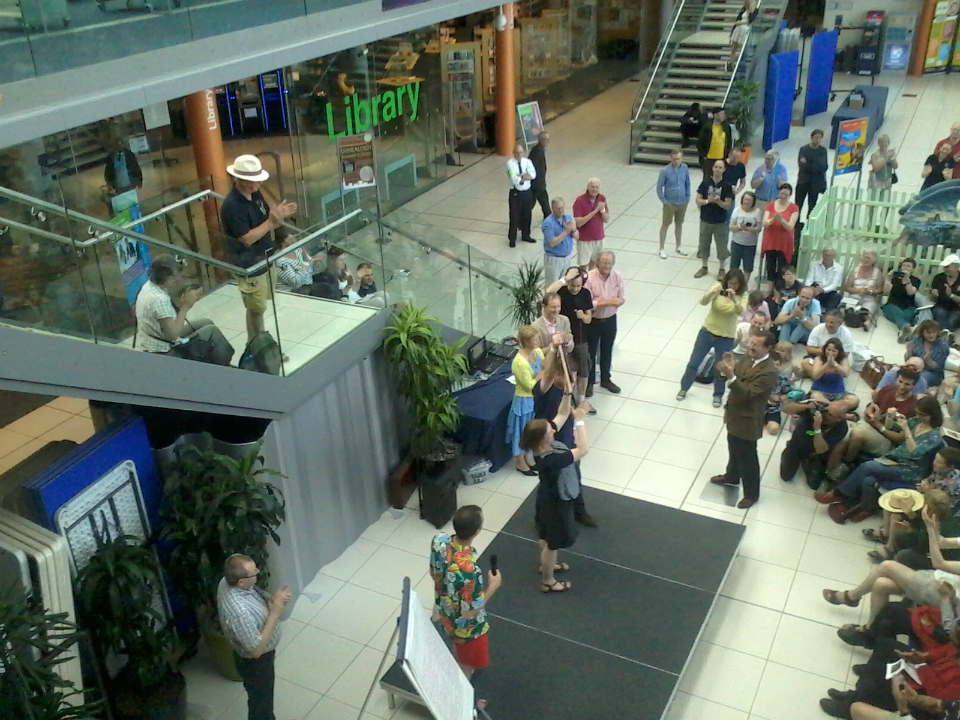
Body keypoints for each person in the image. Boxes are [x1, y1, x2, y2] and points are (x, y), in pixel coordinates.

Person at [821, 505, 960, 630]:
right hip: (937, 579)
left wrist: (929, 529)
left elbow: (939, 563)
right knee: (881, 584)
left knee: (887, 566)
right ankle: (871, 629)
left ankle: (851, 597)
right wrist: (933, 527)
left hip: (942, 592)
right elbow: (942, 542)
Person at [816, 396, 945, 522]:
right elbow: (890, 428)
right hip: (896, 459)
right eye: (917, 413)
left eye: (922, 414)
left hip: (910, 470)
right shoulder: (916, 422)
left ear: (932, 415)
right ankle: (867, 508)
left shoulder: (934, 437)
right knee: (868, 480)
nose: (918, 416)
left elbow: (914, 452)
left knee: (869, 467)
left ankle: (839, 494)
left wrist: (906, 430)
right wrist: (890, 417)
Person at [220, 154, 298, 344]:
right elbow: (247, 239)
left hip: (264, 257)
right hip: (249, 263)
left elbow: (265, 219)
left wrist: (279, 225)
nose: (259, 184)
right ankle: (259, 344)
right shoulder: (232, 206)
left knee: (259, 306)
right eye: (254, 180)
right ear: (242, 180)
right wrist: (272, 221)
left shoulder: (256, 195)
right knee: (256, 307)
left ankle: (255, 342)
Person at [519, 397, 591, 593]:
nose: (553, 430)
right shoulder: (551, 460)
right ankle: (548, 580)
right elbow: (583, 449)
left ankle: (547, 565)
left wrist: (566, 393)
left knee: (545, 535)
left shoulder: (540, 447)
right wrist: (579, 420)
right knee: (553, 543)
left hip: (546, 498)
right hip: (556, 504)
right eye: (549, 431)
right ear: (542, 438)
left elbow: (562, 413)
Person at [429, 505, 501, 680]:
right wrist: (493, 587)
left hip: (444, 609)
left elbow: (434, 572)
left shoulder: (439, 540)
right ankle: (462, 689)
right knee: (466, 666)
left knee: (458, 648)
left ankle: (458, 659)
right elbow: (469, 612)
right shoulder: (470, 571)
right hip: (466, 630)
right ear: (477, 531)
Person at [217, 553, 291, 720]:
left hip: (253, 656)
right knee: (261, 705)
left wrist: (270, 600)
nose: (258, 572)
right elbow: (256, 650)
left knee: (261, 700)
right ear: (241, 582)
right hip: (257, 664)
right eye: (254, 573)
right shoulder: (240, 613)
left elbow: (253, 595)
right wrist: (275, 613)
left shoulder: (226, 582)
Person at [709, 331, 778, 509]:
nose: (751, 347)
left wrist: (730, 375)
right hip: (734, 413)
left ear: (768, 348)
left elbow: (748, 393)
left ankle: (751, 494)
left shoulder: (769, 371)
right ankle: (732, 476)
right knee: (733, 447)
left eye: (756, 345)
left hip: (748, 419)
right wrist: (728, 369)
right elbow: (736, 376)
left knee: (748, 458)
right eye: (751, 343)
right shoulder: (748, 358)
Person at [534, 345, 596, 527]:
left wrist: (576, 422)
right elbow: (548, 375)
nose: (573, 382)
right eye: (569, 377)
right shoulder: (545, 390)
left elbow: (564, 413)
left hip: (566, 439)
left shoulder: (566, 391)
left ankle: (579, 511)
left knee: (574, 475)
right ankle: (542, 519)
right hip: (551, 445)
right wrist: (554, 349)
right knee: (550, 485)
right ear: (558, 374)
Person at [134, 257, 233, 365]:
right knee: (212, 332)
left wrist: (180, 306)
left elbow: (164, 317)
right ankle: (225, 366)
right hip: (164, 351)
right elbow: (173, 335)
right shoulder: (159, 299)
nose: (178, 279)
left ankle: (216, 361)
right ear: (166, 277)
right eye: (175, 277)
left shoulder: (149, 286)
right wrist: (185, 307)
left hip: (158, 337)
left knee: (206, 322)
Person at [677, 269, 747, 407]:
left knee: (721, 368)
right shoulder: (719, 288)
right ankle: (684, 388)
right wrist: (711, 293)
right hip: (707, 332)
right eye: (730, 283)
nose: (732, 286)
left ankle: (718, 395)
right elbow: (703, 302)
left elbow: (741, 312)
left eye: (735, 284)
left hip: (726, 336)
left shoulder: (743, 295)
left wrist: (734, 299)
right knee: (694, 362)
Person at [838, 368, 920, 465]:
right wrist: (870, 412)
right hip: (872, 426)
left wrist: (878, 425)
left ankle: (847, 463)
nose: (902, 386)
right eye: (900, 381)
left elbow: (900, 438)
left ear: (914, 385)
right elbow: (872, 407)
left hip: (888, 441)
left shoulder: (914, 406)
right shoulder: (887, 390)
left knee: (857, 434)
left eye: (907, 384)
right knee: (843, 433)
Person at [780, 395, 856, 488]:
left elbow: (821, 450)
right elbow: (786, 409)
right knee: (786, 476)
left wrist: (817, 428)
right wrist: (806, 406)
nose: (826, 415)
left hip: (815, 453)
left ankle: (805, 462)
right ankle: (788, 453)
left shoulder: (841, 428)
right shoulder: (818, 408)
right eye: (827, 411)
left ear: (839, 419)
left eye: (830, 415)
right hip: (797, 444)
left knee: (814, 485)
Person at [584, 251, 625, 396]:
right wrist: (609, 302)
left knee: (607, 351)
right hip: (593, 321)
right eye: (604, 263)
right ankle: (589, 383)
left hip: (610, 320)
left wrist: (618, 301)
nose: (607, 266)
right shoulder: (589, 278)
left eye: (609, 263)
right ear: (597, 263)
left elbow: (621, 298)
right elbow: (588, 303)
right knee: (591, 352)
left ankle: (606, 379)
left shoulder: (617, 276)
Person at [507, 326, 545, 475]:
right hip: (524, 400)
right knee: (522, 431)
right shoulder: (519, 362)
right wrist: (541, 374)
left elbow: (544, 363)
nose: (538, 341)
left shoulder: (537, 352)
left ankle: (528, 457)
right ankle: (520, 462)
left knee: (531, 431)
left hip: (536, 399)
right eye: (535, 339)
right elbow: (528, 385)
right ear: (527, 342)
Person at [557, 266, 593, 401]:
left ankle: (581, 398)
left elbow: (589, 319)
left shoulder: (585, 294)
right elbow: (548, 293)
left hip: (581, 338)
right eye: (572, 285)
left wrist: (582, 316)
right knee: (569, 370)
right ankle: (568, 399)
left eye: (578, 286)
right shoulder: (561, 292)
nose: (575, 289)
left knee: (583, 370)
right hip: (564, 338)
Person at [693, 159, 733, 280]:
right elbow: (698, 200)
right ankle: (704, 267)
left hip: (720, 221)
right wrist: (708, 201)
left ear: (724, 170)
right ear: (712, 168)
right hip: (705, 220)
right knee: (704, 243)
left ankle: (722, 269)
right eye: (716, 167)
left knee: (721, 246)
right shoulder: (705, 183)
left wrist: (718, 201)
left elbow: (728, 205)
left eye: (720, 167)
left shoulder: (727, 186)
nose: (717, 169)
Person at [797, 309, 856, 377]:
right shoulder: (818, 329)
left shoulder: (846, 333)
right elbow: (809, 349)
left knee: (845, 366)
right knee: (805, 363)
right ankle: (827, 376)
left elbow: (845, 354)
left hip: (837, 360)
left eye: (832, 323)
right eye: (827, 322)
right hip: (820, 357)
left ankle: (817, 375)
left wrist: (832, 357)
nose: (828, 325)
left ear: (840, 323)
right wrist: (826, 352)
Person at [759, 182, 799, 284]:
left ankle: (780, 287)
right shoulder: (770, 205)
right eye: (782, 194)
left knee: (782, 267)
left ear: (790, 195)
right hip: (771, 241)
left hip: (784, 242)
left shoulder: (794, 208)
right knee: (770, 266)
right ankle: (770, 287)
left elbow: (790, 226)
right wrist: (773, 219)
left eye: (786, 194)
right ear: (778, 192)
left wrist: (781, 220)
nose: (783, 196)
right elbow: (764, 223)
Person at [656, 149, 691, 260]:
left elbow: (687, 183)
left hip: (682, 202)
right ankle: (661, 248)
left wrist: (687, 197)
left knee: (679, 224)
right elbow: (659, 188)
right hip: (670, 203)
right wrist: (665, 202)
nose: (676, 161)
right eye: (674, 159)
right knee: (665, 225)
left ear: (682, 159)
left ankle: (679, 246)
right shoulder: (664, 171)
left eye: (678, 159)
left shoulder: (685, 168)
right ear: (671, 159)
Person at [882, 257, 926, 341]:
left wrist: (907, 282)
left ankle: (903, 332)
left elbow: (911, 292)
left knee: (904, 315)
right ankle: (909, 330)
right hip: (892, 305)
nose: (905, 268)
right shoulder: (894, 278)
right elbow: (886, 292)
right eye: (904, 265)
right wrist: (888, 279)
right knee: (898, 314)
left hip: (908, 307)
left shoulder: (916, 280)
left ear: (913, 269)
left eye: (908, 266)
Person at [843, 249, 884, 331]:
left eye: (869, 258)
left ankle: (867, 322)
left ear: (873, 260)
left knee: (866, 311)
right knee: (849, 310)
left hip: (869, 298)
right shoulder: (854, 271)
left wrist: (870, 291)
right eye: (864, 257)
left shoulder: (877, 272)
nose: (866, 260)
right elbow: (847, 287)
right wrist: (859, 290)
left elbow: (880, 290)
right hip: (854, 297)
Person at [573, 178, 610, 267]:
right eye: (592, 187)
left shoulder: (602, 198)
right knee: (583, 266)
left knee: (595, 265)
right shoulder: (580, 200)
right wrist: (594, 211)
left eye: (597, 187)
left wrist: (602, 210)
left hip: (599, 238)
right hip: (585, 240)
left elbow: (606, 219)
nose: (594, 189)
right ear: (588, 187)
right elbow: (579, 223)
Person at [541, 197, 578, 285]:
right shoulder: (548, 223)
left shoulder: (567, 218)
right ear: (552, 208)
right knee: (553, 285)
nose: (561, 210)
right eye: (558, 208)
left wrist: (574, 230)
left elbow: (577, 237)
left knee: (565, 284)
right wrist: (566, 231)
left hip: (567, 257)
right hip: (554, 259)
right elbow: (552, 242)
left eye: (562, 208)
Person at [506, 144, 537, 247]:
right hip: (516, 193)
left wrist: (521, 176)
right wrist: (525, 176)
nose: (519, 154)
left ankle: (526, 235)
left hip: (527, 192)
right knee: (514, 216)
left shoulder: (527, 162)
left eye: (521, 152)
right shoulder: (510, 163)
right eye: (517, 153)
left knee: (527, 214)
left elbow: (533, 175)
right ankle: (512, 238)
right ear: (513, 153)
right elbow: (514, 179)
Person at [728, 191, 762, 283]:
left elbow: (759, 228)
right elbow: (731, 227)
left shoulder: (757, 212)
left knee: (748, 266)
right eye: (745, 199)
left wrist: (748, 228)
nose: (747, 202)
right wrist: (740, 227)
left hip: (751, 244)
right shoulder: (737, 210)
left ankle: (744, 284)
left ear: (753, 202)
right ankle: (733, 283)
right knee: (734, 265)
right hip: (736, 242)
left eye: (749, 200)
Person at [905, 319, 950, 387]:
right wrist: (909, 351)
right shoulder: (917, 340)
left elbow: (939, 368)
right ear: (922, 333)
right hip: (914, 369)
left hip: (933, 373)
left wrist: (928, 361)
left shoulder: (943, 346)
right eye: (928, 333)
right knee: (900, 374)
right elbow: (908, 360)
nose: (931, 335)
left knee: (920, 379)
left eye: (934, 332)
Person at [273, 226, 317, 293]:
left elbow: (311, 267)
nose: (294, 241)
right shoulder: (280, 261)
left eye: (294, 238)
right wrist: (305, 264)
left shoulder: (297, 250)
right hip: (294, 291)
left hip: (308, 283)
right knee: (326, 288)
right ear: (282, 242)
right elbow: (295, 282)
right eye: (290, 239)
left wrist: (304, 259)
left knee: (329, 278)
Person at [795, 129, 829, 219]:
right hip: (803, 181)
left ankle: (809, 223)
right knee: (798, 205)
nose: (818, 140)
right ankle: (796, 223)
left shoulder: (822, 151)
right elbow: (802, 166)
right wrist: (815, 163)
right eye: (816, 137)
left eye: (820, 138)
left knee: (812, 205)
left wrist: (809, 162)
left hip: (815, 183)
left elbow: (824, 167)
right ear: (811, 138)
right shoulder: (804, 149)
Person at [532, 291, 574, 358]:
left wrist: (568, 343)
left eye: (558, 306)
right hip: (545, 362)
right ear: (544, 307)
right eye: (553, 307)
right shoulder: (535, 326)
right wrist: (553, 347)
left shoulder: (564, 320)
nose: (556, 310)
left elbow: (569, 349)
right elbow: (535, 353)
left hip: (562, 361)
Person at [764, 345, 793, 435]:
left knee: (774, 430)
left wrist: (780, 398)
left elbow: (791, 392)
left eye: (777, 365)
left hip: (773, 409)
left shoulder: (782, 379)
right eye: (772, 365)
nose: (775, 368)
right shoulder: (758, 377)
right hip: (756, 408)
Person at [696, 107, 732, 177]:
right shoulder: (707, 127)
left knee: (721, 177)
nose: (723, 116)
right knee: (707, 177)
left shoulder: (726, 127)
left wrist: (727, 155)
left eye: (724, 114)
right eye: (721, 114)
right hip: (709, 158)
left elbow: (729, 142)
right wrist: (703, 156)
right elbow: (700, 142)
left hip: (721, 158)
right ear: (715, 115)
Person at [931, 254, 960, 331]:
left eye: (947, 267)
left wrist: (951, 295)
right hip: (940, 306)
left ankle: (944, 332)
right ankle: (946, 333)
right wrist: (933, 293)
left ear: (956, 266)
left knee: (953, 319)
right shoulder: (939, 278)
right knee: (940, 313)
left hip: (956, 309)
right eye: (944, 267)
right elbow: (932, 296)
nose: (945, 269)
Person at [727, 0, 758, 70]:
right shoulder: (743, 9)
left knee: (743, 49)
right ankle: (731, 63)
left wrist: (750, 12)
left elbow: (751, 21)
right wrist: (743, 23)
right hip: (738, 30)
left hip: (745, 31)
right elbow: (736, 22)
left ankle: (735, 61)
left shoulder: (755, 11)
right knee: (733, 49)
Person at [527, 131, 551, 218]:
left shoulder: (539, 149)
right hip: (537, 183)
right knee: (531, 202)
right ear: (542, 140)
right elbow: (533, 167)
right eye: (547, 140)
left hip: (539, 182)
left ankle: (548, 216)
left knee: (544, 200)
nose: (548, 142)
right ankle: (522, 218)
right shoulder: (537, 151)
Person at [867, 133, 898, 198]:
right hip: (875, 184)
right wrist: (886, 157)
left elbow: (895, 166)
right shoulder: (874, 155)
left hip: (887, 184)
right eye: (881, 142)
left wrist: (892, 158)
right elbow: (876, 168)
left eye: (885, 142)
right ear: (878, 144)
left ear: (888, 143)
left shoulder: (890, 155)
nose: (883, 144)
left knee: (886, 202)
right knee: (873, 201)